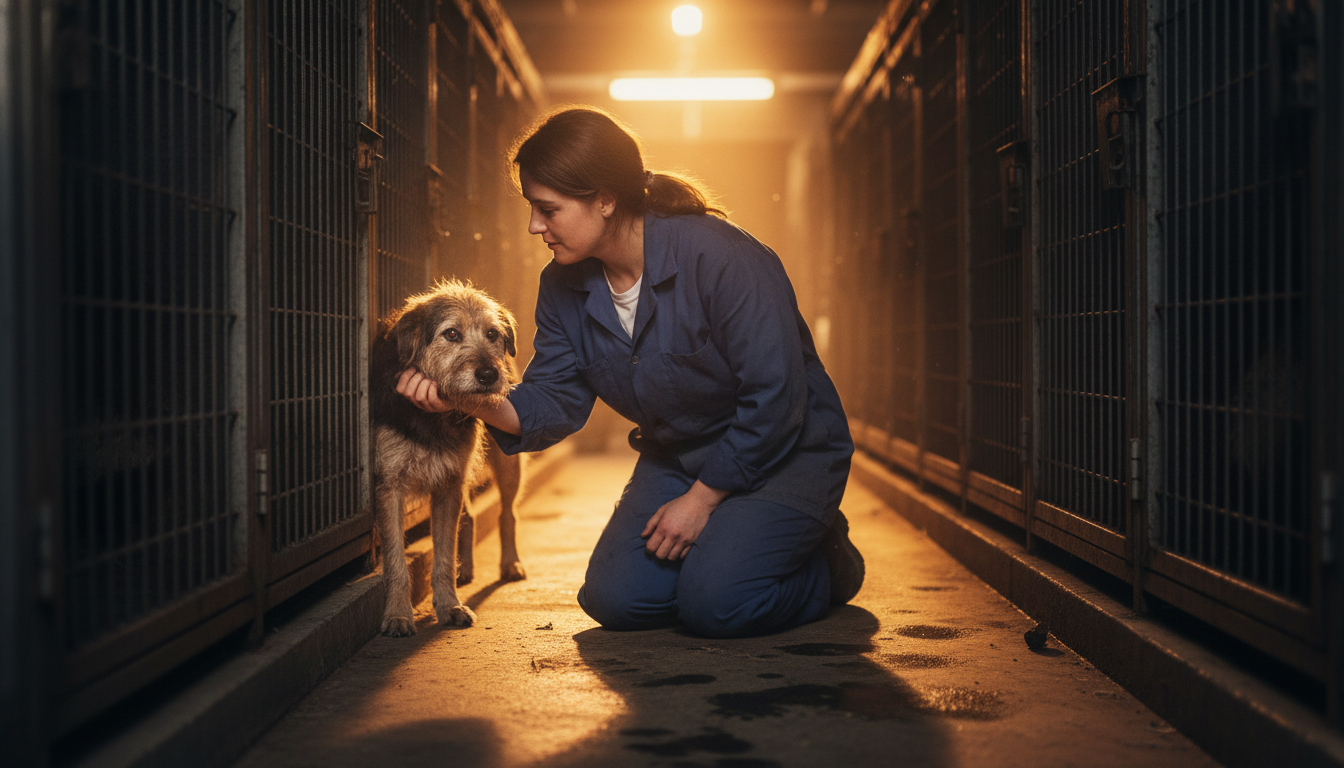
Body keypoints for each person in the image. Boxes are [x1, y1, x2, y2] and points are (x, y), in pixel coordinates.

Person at [396, 106, 862, 638]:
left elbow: (776, 398)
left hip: (784, 453)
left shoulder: (724, 258)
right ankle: (738, 550)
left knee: (717, 605)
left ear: (606, 199)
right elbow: (551, 401)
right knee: (615, 601)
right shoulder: (563, 286)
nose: (534, 226)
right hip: (682, 455)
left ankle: (827, 562)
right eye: (532, 208)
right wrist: (460, 399)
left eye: (548, 209)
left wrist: (702, 501)